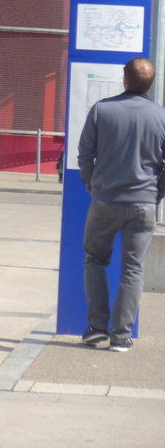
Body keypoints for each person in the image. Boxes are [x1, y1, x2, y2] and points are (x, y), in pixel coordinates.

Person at [77, 56, 165, 352]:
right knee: (133, 269)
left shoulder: (102, 111)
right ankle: (121, 336)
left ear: (125, 80)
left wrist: (93, 186)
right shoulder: (161, 117)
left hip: (105, 200)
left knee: (95, 260)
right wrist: (155, 195)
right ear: (150, 84)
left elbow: (84, 156)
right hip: (143, 204)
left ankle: (97, 328)